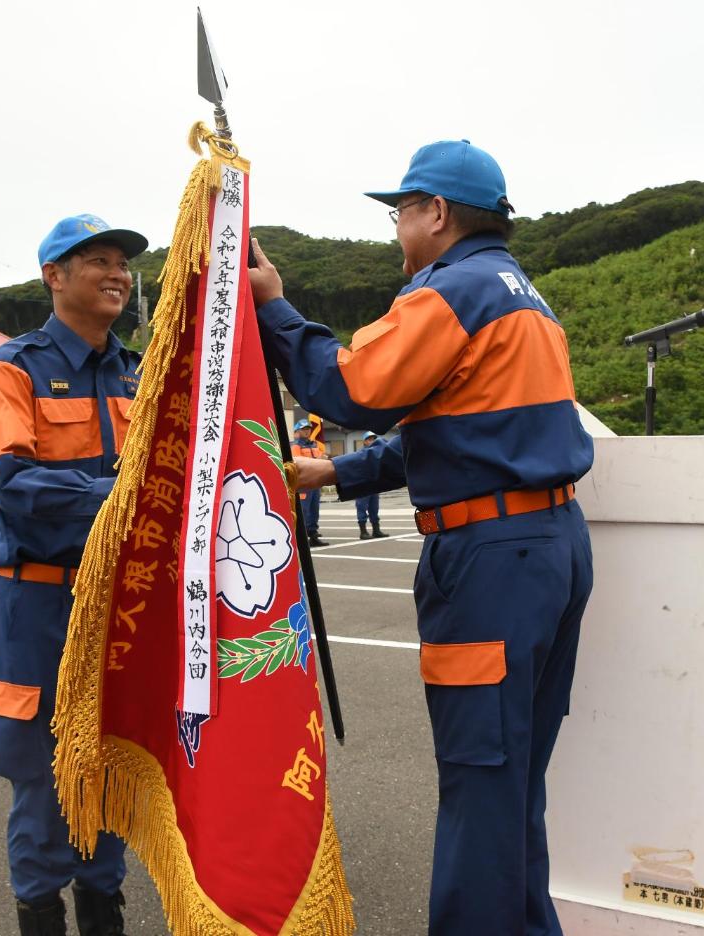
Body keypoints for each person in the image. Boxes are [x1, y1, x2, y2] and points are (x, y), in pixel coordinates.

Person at [249, 140, 594, 935]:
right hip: (548, 544)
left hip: (490, 563)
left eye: (401, 211)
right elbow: (456, 435)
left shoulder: (454, 289)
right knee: (513, 782)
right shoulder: (523, 297)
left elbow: (351, 387)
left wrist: (274, 308)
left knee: (479, 781)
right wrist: (335, 478)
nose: (396, 228)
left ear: (437, 212)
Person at [0, 213, 145, 936]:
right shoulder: (13, 367)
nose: (118, 273)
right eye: (99, 260)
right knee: (44, 776)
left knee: (110, 763)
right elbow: (12, 485)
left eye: (123, 263)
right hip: (43, 601)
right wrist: (126, 499)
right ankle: (41, 914)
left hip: (121, 603)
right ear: (55, 275)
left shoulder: (139, 371)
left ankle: (104, 910)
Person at [290, 418, 329, 546]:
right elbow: (297, 462)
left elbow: (321, 459)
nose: (307, 432)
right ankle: (300, 539)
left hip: (315, 482)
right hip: (304, 484)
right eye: (303, 429)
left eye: (308, 429)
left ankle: (313, 535)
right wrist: (319, 459)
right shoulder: (296, 445)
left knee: (314, 510)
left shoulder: (314, 444)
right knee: (303, 511)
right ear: (297, 431)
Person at [353, 431, 386, 539]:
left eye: (373, 439)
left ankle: (376, 530)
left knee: (374, 508)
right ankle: (363, 532)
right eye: (369, 439)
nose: (372, 441)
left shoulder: (377, 454)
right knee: (361, 508)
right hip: (362, 485)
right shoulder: (361, 454)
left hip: (374, 485)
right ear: (365, 441)